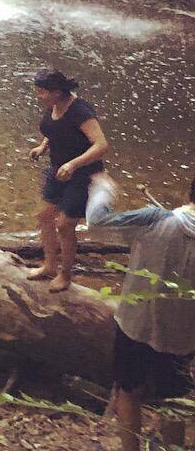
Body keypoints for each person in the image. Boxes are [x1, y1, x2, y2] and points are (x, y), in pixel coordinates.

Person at [87, 172, 194, 451]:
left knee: (128, 390)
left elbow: (97, 223)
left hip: (136, 325)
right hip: (183, 336)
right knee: (174, 399)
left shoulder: (155, 219)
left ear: (188, 195)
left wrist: (102, 190)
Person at [26, 68, 109, 292]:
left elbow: (101, 145)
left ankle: (65, 275)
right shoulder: (54, 105)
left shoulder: (80, 111)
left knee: (64, 225)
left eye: (42, 92)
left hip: (82, 175)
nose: (38, 96)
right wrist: (42, 146)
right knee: (43, 215)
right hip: (58, 170)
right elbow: (54, 130)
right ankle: (49, 265)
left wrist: (73, 164)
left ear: (57, 91)